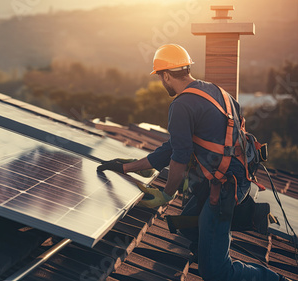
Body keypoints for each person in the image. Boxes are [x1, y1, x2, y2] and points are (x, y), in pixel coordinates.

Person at [97, 44, 287, 281]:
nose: (161, 82)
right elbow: (173, 147)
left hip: (223, 190)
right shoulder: (217, 91)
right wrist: (129, 166)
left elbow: (180, 157)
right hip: (240, 178)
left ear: (166, 75)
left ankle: (275, 279)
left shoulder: (181, 105)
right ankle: (209, 244)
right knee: (187, 223)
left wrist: (166, 195)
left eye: (160, 78)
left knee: (215, 272)